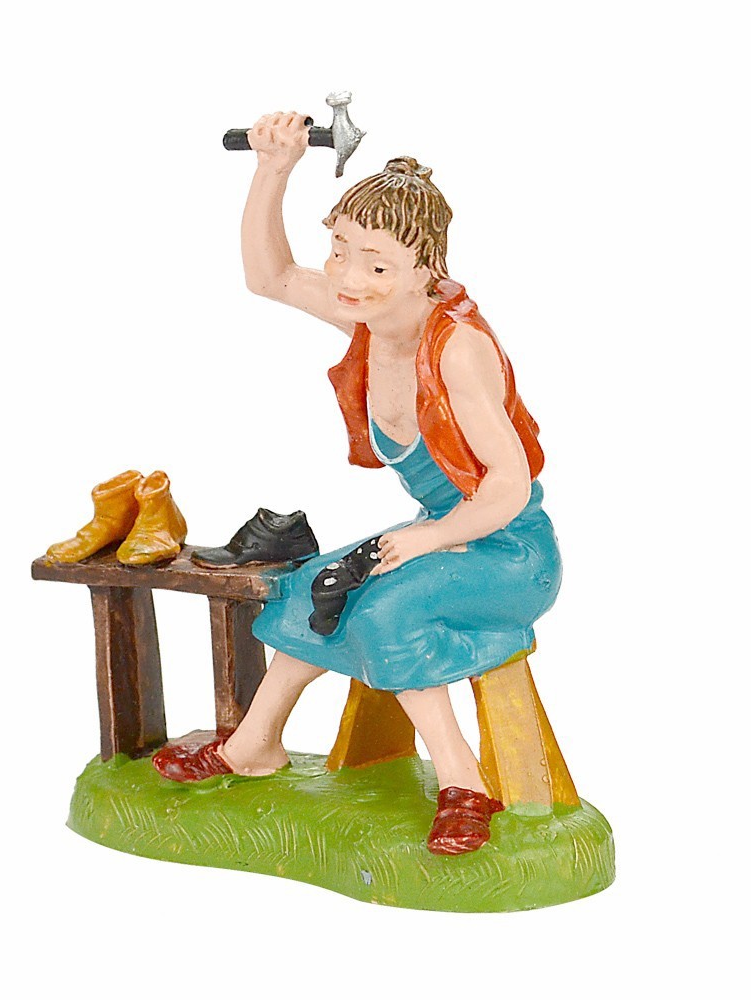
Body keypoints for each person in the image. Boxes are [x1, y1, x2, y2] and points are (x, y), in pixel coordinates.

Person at [152, 112, 562, 856]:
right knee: (309, 587)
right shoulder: (372, 323)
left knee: (384, 611)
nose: (347, 278)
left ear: (425, 270)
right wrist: (273, 168)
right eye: (340, 250)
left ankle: (464, 786)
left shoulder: (458, 349)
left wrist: (431, 538)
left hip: (509, 554)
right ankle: (253, 747)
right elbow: (271, 277)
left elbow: (510, 485)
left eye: (376, 265)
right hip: (442, 537)